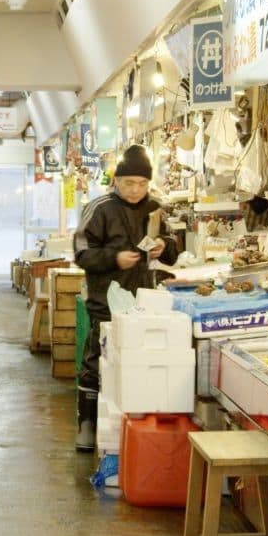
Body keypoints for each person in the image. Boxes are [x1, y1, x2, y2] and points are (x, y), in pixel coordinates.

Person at [72, 145, 181, 451]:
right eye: (129, 183)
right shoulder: (99, 208)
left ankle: (130, 432)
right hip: (105, 300)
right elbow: (81, 252)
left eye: (142, 183)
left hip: (145, 301)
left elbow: (173, 246)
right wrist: (113, 258)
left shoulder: (155, 208)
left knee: (136, 364)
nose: (136, 190)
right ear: (116, 181)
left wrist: (164, 247)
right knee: (96, 360)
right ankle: (87, 426)